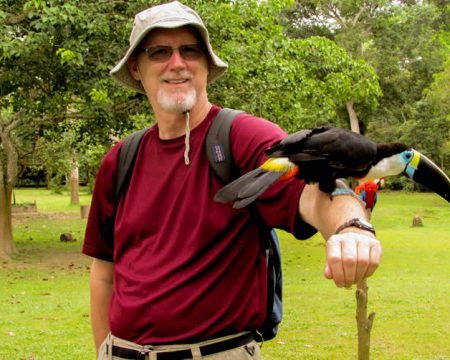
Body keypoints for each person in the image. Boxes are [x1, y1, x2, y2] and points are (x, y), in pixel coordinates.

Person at [82, 2, 382, 359]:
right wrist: (104, 349)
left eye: (189, 50)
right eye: (160, 51)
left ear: (206, 64)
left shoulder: (241, 136)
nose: (176, 63)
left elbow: (314, 192)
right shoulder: (121, 160)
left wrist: (351, 227)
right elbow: (104, 271)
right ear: (136, 67)